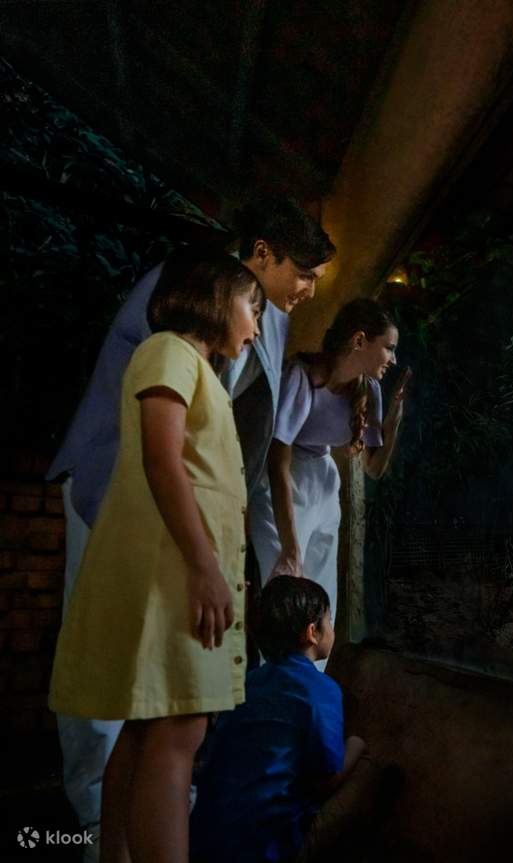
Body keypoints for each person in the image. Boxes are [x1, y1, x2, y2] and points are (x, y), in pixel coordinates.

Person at [44, 199, 334, 857]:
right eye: (305, 272)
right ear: (259, 255)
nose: (309, 290)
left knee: (152, 715)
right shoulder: (186, 307)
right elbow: (160, 448)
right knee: (130, 686)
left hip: (187, 538)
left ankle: (130, 822)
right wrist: (204, 557)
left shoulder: (256, 321)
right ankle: (93, 818)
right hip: (127, 506)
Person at [48, 253, 264, 863]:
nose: (254, 327)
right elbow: (163, 461)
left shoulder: (196, 368)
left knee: (149, 728)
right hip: (179, 579)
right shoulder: (169, 351)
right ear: (216, 299)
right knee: (180, 732)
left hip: (184, 577)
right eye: (252, 306)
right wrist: (204, 568)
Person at [250, 299, 408, 666]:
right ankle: (273, 694)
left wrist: (393, 424)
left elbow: (373, 468)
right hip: (284, 488)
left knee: (322, 600)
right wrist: (290, 549)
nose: (393, 359)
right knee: (285, 600)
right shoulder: (302, 377)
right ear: (359, 341)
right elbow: (277, 461)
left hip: (323, 484)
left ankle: (311, 688)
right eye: (389, 347)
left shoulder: (370, 391)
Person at [189, 576, 366, 863]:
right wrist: (356, 745)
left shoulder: (247, 684)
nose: (332, 628)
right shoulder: (320, 689)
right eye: (329, 620)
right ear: (313, 632)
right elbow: (329, 775)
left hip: (202, 836)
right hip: (262, 844)